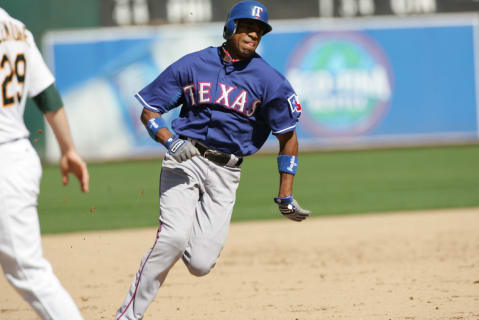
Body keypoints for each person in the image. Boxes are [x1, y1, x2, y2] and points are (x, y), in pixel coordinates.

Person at [116, 1, 310, 318]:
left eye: (259, 29)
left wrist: (285, 193)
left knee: (200, 264)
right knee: (173, 238)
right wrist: (170, 140)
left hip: (226, 173)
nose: (254, 33)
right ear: (230, 28)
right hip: (185, 159)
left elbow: (288, 136)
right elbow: (149, 110)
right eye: (247, 26)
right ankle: (128, 316)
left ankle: (180, 239)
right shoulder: (194, 64)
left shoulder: (269, 81)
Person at [0, 7, 89, 320]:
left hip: (4, 163)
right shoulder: (16, 27)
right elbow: (47, 95)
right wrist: (69, 149)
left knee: (28, 272)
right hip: (15, 157)